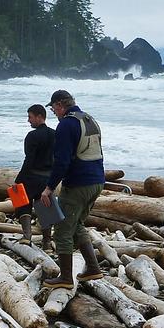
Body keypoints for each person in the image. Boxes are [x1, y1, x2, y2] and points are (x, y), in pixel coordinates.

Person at [40, 89, 105, 288]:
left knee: (62, 228)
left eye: (53, 109)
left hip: (78, 183)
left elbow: (62, 162)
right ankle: (93, 269)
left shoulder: (66, 125)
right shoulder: (89, 120)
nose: (53, 112)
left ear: (60, 105)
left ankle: (66, 278)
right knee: (76, 224)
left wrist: (49, 187)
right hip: (97, 180)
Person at [14, 103, 56, 249]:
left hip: (32, 177)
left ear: (39, 117)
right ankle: (47, 242)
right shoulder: (55, 134)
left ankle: (27, 236)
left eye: (30, 117)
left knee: (22, 203)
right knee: (45, 208)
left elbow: (29, 159)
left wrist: (18, 180)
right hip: (48, 178)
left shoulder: (32, 136)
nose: (28, 120)